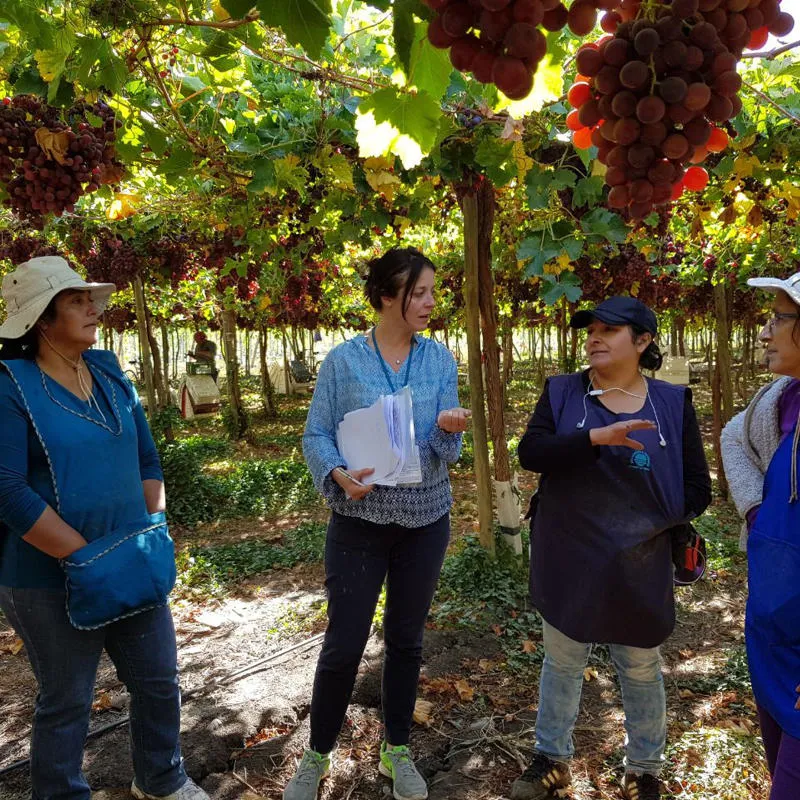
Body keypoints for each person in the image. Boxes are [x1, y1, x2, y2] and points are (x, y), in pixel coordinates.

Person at [0, 256, 207, 800]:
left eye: (88, 297)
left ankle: (161, 779)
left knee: (159, 682)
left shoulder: (112, 373)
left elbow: (147, 460)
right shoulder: (11, 387)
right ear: (41, 320)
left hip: (131, 562)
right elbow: (7, 489)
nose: (93, 307)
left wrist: (152, 529)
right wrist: (86, 557)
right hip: (48, 578)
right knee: (67, 700)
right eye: (75, 300)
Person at [512, 296, 711, 800]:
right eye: (591, 329)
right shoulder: (562, 394)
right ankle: (551, 761)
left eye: (610, 330)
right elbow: (532, 452)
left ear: (642, 341)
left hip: (639, 559)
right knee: (563, 659)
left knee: (641, 665)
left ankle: (644, 769)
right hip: (570, 553)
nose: (594, 337)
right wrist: (595, 437)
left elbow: (696, 487)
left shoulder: (671, 403)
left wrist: (652, 523)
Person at [289, 248, 470, 800]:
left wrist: (448, 426)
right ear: (388, 295)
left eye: (433, 293)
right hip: (358, 524)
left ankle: (398, 751)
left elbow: (449, 448)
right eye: (419, 293)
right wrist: (339, 475)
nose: (430, 303)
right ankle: (316, 754)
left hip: (425, 521)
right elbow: (316, 435)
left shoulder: (440, 360)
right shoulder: (344, 362)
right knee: (344, 645)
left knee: (406, 641)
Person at [721, 273, 800, 799]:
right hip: (775, 624)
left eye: (779, 319)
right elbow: (732, 434)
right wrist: (757, 510)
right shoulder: (780, 400)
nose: (766, 332)